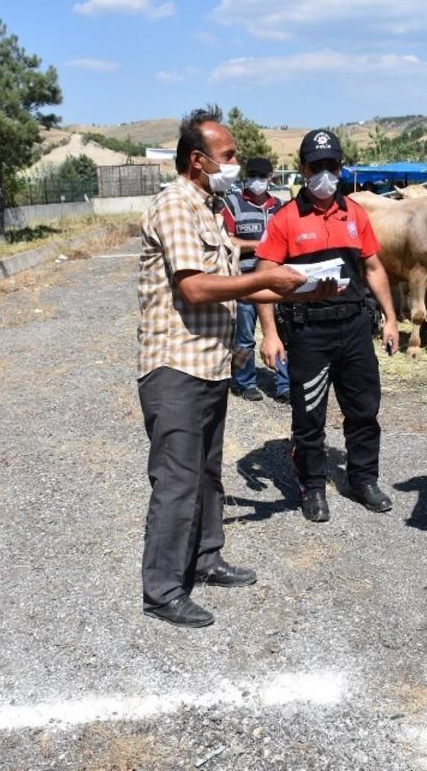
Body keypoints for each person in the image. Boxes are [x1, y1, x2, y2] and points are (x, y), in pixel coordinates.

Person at [135, 105, 335, 628]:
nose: (237, 162)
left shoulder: (210, 206)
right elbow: (195, 286)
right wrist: (270, 281)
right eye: (228, 155)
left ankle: (205, 558)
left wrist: (304, 288)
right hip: (175, 364)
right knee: (177, 479)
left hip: (208, 363)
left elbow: (236, 277)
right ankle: (161, 591)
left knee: (206, 473)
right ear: (198, 160)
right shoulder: (176, 205)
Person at [255, 129, 400, 523]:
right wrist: (269, 333)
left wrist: (390, 318)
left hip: (354, 329)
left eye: (331, 165)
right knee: (309, 416)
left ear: (341, 166)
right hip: (308, 334)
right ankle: (313, 487)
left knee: (364, 410)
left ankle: (363, 480)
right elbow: (264, 275)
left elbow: (372, 267)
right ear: (302, 169)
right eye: (316, 166)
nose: (324, 173)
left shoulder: (355, 215)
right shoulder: (285, 219)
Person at [222, 157, 289, 403]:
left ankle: (283, 383)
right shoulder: (232, 204)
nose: (256, 181)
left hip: (275, 281)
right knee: (244, 335)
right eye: (252, 176)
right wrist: (261, 246)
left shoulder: (279, 207)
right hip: (246, 279)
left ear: (271, 177)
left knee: (280, 331)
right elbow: (228, 240)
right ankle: (244, 380)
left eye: (261, 176)